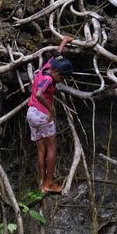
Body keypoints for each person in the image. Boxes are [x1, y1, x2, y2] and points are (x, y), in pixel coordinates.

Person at [27, 35, 74, 194]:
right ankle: (50, 183)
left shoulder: (48, 67)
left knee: (42, 150)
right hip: (42, 114)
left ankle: (42, 185)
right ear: (56, 72)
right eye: (61, 77)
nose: (61, 80)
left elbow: (58, 55)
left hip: (31, 113)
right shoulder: (48, 78)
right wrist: (51, 109)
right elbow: (40, 93)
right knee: (53, 148)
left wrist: (65, 41)